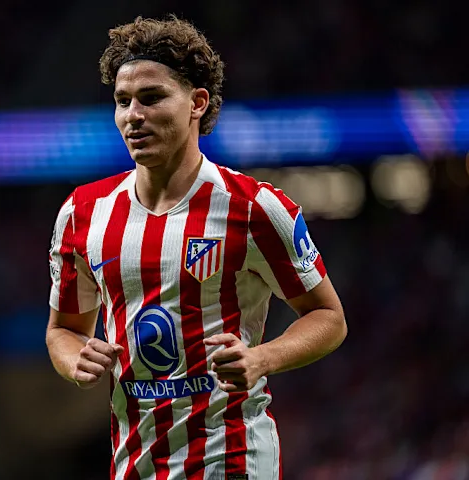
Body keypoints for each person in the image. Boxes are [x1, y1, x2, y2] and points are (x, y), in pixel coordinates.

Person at [46, 15, 347, 480]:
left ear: (197, 103)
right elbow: (64, 329)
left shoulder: (254, 207)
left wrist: (261, 358)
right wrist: (75, 360)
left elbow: (329, 317)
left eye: (151, 98)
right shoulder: (83, 213)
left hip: (232, 455)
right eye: (123, 101)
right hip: (135, 462)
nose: (133, 116)